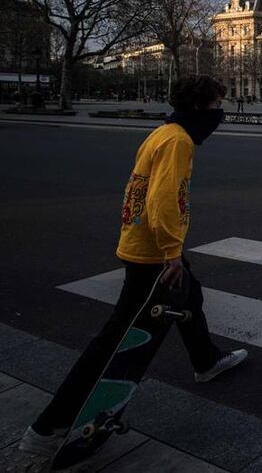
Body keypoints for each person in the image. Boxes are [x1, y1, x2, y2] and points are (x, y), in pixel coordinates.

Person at [19, 76, 248, 457]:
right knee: (113, 341)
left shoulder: (163, 132)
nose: (219, 114)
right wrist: (171, 253)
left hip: (140, 240)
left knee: (191, 294)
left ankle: (206, 359)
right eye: (215, 107)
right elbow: (162, 200)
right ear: (199, 108)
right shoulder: (178, 141)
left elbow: (137, 188)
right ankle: (48, 427)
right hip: (153, 251)